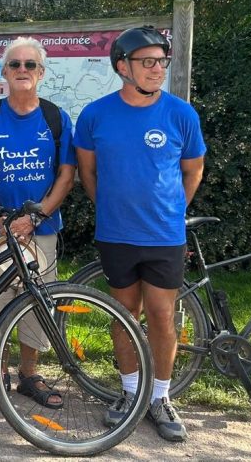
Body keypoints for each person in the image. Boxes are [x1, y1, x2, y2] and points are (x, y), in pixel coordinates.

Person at [75, 26, 205, 442]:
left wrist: (172, 210)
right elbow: (87, 172)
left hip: (164, 236)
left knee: (163, 317)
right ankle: (131, 393)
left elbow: (193, 169)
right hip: (116, 234)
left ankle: (160, 397)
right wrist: (111, 208)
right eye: (147, 62)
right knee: (123, 315)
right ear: (122, 67)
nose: (157, 69)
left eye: (162, 62)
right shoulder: (95, 114)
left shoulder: (181, 113)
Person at [0, 37, 76, 406]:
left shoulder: (56, 117)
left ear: (41, 73)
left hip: (39, 229)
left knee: (36, 301)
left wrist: (35, 215)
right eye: (15, 65)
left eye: (30, 65)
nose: (22, 71)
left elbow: (66, 175)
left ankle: (30, 375)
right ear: (4, 73)